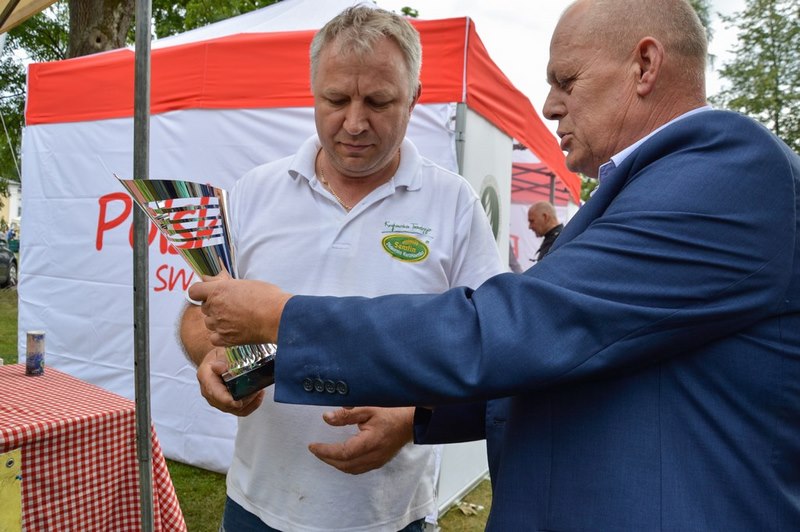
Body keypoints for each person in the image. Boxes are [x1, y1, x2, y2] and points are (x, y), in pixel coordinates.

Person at [189, 0, 800, 529]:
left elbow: (514, 328)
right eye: (335, 98)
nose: (549, 106)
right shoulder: (651, 188)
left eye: (566, 80)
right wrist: (421, 413)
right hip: (261, 497)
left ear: (645, 65)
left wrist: (287, 319)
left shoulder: (725, 169)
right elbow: (569, 355)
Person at [180, 6, 503, 532]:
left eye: (378, 101)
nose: (354, 123)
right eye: (335, 100)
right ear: (313, 92)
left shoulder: (453, 204)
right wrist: (211, 356)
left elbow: (490, 343)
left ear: (414, 98)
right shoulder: (255, 192)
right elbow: (198, 312)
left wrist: (412, 419)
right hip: (258, 505)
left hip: (389, 515)